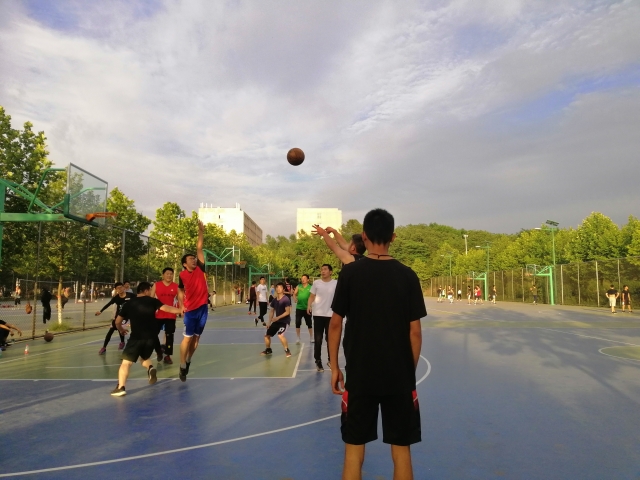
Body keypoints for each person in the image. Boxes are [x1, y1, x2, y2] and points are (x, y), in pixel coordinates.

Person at [329, 208, 426, 480]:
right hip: (399, 377)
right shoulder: (408, 276)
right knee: (401, 451)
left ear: (364, 236)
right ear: (393, 237)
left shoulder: (350, 274)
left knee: (353, 451)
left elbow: (335, 324)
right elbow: (415, 332)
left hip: (360, 376)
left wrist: (335, 367)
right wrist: (408, 373)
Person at [110, 282, 182, 397]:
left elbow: (117, 322)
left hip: (136, 338)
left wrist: (121, 330)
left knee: (126, 363)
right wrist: (181, 310)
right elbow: (167, 308)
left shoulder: (129, 303)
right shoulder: (153, 301)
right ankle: (150, 367)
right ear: (146, 290)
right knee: (144, 358)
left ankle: (121, 387)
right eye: (150, 290)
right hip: (151, 338)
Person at [177, 220, 209, 382]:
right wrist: (181, 305)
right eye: (190, 259)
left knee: (196, 338)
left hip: (203, 309)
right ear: (185, 264)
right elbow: (180, 290)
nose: (194, 260)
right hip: (190, 311)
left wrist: (201, 231)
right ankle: (182, 365)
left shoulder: (200, 269)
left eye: (194, 258)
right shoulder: (182, 275)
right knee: (187, 338)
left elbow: (199, 248)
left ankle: (188, 360)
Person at [308, 264, 337, 372]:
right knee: (318, 339)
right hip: (318, 314)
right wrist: (309, 306)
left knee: (330, 339)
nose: (323, 271)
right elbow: (311, 296)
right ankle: (318, 361)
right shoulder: (316, 283)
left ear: (331, 272)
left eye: (325, 269)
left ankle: (331, 360)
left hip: (331, 315)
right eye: (322, 269)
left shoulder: (336, 283)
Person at [96, 282, 135, 354]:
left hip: (126, 317)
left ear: (123, 288)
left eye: (121, 287)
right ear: (116, 290)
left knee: (120, 328)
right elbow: (108, 304)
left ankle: (122, 342)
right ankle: (104, 347)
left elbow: (140, 298)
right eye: (118, 288)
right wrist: (101, 311)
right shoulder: (116, 298)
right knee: (110, 331)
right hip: (118, 317)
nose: (120, 289)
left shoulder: (130, 295)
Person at [151, 268, 179, 364]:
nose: (169, 275)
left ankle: (167, 356)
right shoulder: (156, 285)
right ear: (163, 275)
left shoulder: (176, 286)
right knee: (153, 334)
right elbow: (151, 299)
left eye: (171, 274)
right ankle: (159, 351)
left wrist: (181, 310)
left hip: (171, 315)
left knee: (169, 336)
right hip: (158, 314)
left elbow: (180, 299)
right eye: (167, 274)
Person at [261, 282, 292, 357]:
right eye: (277, 287)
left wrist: (277, 317)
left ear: (283, 289)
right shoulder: (274, 300)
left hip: (284, 321)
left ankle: (287, 350)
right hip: (277, 321)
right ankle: (268, 349)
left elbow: (288, 312)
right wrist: (269, 322)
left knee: (280, 335)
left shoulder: (286, 299)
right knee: (266, 335)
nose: (278, 289)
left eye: (280, 287)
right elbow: (272, 311)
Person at [293, 274, 313, 345]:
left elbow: (313, 297)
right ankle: (298, 337)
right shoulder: (299, 286)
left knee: (309, 323)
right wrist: (295, 298)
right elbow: (294, 294)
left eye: (304, 278)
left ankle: (311, 337)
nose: (303, 279)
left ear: (308, 280)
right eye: (302, 278)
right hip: (299, 308)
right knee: (297, 323)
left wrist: (310, 305)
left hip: (307, 308)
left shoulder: (310, 287)